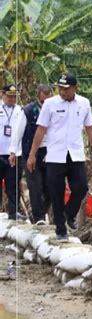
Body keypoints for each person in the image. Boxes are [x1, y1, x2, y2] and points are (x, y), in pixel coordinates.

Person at [27, 73, 92, 241]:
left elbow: (90, 128)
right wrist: (32, 155)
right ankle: (61, 230)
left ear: (75, 88)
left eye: (66, 89)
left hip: (75, 154)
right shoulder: (50, 104)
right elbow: (41, 130)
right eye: (60, 88)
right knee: (56, 193)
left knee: (81, 187)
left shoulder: (84, 103)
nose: (62, 91)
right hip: (55, 155)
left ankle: (69, 213)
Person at [9, 85, 53, 224]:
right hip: (30, 153)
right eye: (44, 101)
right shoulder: (28, 111)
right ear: (38, 98)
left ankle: (43, 211)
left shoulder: (55, 110)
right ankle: (38, 217)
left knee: (50, 187)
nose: (46, 103)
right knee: (35, 185)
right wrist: (13, 152)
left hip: (50, 152)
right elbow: (18, 132)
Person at [0, 85, 25, 220]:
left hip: (15, 154)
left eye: (14, 96)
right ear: (2, 94)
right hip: (0, 152)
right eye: (9, 95)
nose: (11, 98)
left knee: (13, 184)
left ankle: (14, 212)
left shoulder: (20, 110)